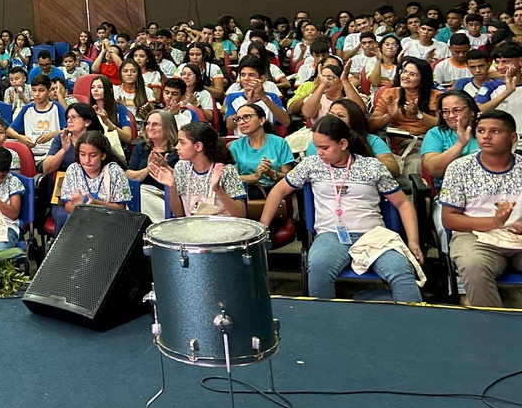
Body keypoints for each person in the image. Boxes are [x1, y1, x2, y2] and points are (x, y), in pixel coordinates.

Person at [259, 115, 423, 303]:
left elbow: (403, 204)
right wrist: (263, 229)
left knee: (401, 270)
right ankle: (327, 324)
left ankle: (413, 326)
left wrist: (413, 241)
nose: (318, 152)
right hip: (331, 234)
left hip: (372, 235)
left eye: (324, 147)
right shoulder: (312, 165)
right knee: (319, 267)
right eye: (316, 146)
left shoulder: (371, 166)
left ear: (343, 144)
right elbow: (278, 190)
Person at [440, 110, 522, 308]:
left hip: (518, 236)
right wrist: (495, 222)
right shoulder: (459, 168)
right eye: (481, 130)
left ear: (513, 138)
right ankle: (494, 326)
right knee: (473, 264)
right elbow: (449, 220)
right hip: (475, 236)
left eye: (495, 131)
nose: (486, 136)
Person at [150, 122, 247, 218]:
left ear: (198, 146)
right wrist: (172, 187)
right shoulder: (181, 167)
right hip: (191, 228)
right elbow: (179, 214)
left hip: (221, 228)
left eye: (182, 142)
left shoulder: (226, 170)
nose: (177, 147)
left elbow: (241, 214)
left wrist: (217, 189)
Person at [52, 132, 132, 235]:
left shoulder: (115, 172)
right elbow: (68, 206)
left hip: (109, 226)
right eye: (82, 154)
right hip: (80, 224)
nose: (86, 160)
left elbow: (121, 209)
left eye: (93, 155)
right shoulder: (73, 170)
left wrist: (96, 204)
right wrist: (79, 207)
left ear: (103, 155)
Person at [6, 76, 65, 171]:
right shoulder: (27, 109)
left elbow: (68, 130)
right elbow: (9, 130)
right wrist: (21, 137)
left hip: (51, 153)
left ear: (48, 91)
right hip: (29, 152)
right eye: (34, 90)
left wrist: (52, 134)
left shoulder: (56, 107)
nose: (37, 94)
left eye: (41, 90)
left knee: (48, 165)